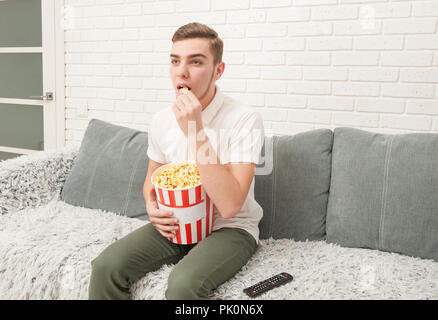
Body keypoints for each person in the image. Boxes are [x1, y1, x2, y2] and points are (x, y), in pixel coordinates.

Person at [88, 22, 265, 300]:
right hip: (177, 224)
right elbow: (152, 180)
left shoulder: (244, 120)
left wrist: (195, 131)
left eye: (196, 62)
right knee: (105, 267)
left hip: (229, 229)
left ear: (218, 70)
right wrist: (151, 205)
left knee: (183, 284)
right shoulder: (161, 120)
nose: (181, 71)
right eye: (175, 61)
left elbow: (230, 206)